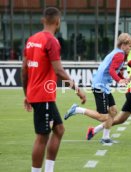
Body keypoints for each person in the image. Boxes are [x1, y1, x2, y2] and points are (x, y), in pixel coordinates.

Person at [22, 7, 86, 172]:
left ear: (43, 20)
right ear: (58, 22)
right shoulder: (51, 41)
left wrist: (26, 94)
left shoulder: (31, 39)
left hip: (36, 93)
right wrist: (77, 88)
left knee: (59, 130)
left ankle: (49, 169)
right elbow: (59, 70)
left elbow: (24, 69)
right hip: (44, 95)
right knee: (42, 136)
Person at [64, 33, 131, 144]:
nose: (130, 48)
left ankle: (105, 138)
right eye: (129, 46)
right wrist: (120, 81)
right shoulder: (119, 55)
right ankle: (77, 110)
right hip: (100, 85)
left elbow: (114, 70)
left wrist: (123, 78)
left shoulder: (118, 53)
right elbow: (111, 70)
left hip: (103, 85)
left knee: (113, 111)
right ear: (123, 45)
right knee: (103, 117)